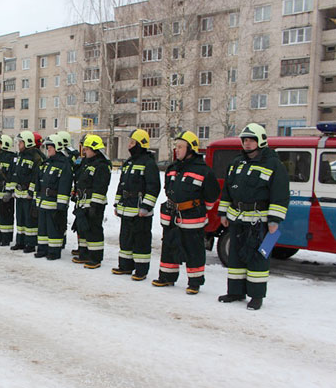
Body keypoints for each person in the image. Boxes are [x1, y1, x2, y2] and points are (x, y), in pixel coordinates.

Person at [217, 123, 290, 310]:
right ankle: (235, 291)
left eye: (251, 140)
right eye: (245, 140)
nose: (247, 143)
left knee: (258, 258)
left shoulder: (274, 164)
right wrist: (223, 212)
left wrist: (274, 220)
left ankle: (256, 296)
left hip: (260, 222)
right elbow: (227, 190)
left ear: (261, 141)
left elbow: (280, 194)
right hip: (237, 219)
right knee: (235, 257)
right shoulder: (236, 163)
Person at [152, 131, 221, 294]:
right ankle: (167, 277)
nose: (177, 150)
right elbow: (168, 189)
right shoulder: (172, 168)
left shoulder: (204, 171)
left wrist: (196, 207)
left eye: (181, 146)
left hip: (192, 218)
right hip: (172, 216)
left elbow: (211, 196)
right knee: (169, 246)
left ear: (191, 149)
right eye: (176, 146)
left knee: (193, 250)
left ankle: (195, 282)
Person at [112, 129, 161, 280]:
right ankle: (125, 266)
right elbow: (121, 185)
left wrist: (146, 207)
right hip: (126, 208)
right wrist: (117, 203)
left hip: (140, 211)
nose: (129, 145)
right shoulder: (129, 163)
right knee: (125, 239)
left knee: (141, 240)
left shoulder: (149, 163)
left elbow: (153, 187)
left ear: (140, 144)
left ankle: (141, 270)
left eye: (132, 142)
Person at [71, 134, 111, 269]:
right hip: (83, 202)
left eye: (87, 149)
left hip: (94, 204)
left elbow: (101, 186)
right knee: (83, 229)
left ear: (94, 149)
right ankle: (84, 254)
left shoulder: (102, 165)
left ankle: (95, 257)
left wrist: (95, 204)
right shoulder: (86, 163)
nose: (84, 151)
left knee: (94, 230)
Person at [35, 134, 72, 260]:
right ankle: (42, 249)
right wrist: (37, 199)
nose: (47, 150)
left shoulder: (63, 164)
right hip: (43, 203)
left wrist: (61, 205)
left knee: (53, 229)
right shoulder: (47, 163)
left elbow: (65, 185)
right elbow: (39, 182)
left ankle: (54, 252)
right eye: (47, 147)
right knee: (43, 229)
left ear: (57, 148)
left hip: (54, 203)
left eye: (50, 147)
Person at [7, 131, 45, 253]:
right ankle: (20, 241)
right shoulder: (20, 156)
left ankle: (31, 243)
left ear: (27, 142)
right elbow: (16, 174)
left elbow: (35, 177)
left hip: (28, 195)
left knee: (30, 220)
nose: (18, 144)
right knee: (20, 219)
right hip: (19, 193)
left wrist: (31, 192)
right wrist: (13, 189)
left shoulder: (36, 157)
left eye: (21, 142)